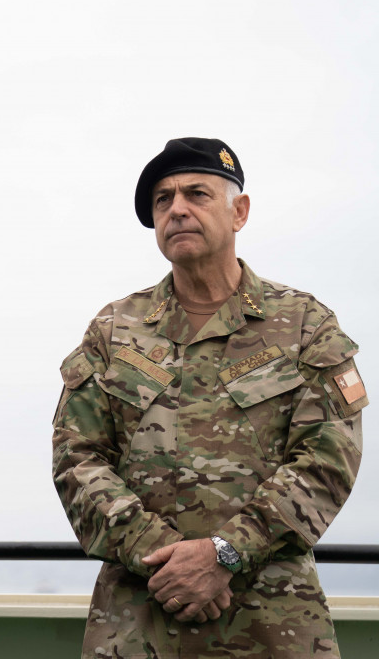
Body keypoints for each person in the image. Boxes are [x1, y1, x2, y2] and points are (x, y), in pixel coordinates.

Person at [52, 138, 368, 658]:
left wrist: (225, 553)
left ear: (238, 211)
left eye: (197, 194)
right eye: (163, 200)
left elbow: (327, 459)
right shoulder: (114, 330)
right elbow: (76, 458)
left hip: (273, 623)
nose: (177, 209)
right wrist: (163, 555)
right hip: (139, 620)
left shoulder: (305, 324)